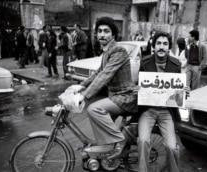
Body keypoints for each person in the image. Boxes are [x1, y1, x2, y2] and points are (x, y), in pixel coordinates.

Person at [68, 16, 138, 159]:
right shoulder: (106, 52)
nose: (102, 34)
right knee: (100, 129)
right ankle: (106, 156)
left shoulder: (119, 51)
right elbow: (98, 73)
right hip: (115, 97)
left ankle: (119, 142)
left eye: (106, 31)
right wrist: (80, 86)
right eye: (99, 31)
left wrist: (85, 96)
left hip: (125, 98)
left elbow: (104, 76)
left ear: (113, 34)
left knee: (94, 109)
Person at [138, 31, 181, 172]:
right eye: (159, 43)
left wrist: (183, 91)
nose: (161, 47)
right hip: (148, 110)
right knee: (143, 141)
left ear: (169, 47)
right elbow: (139, 85)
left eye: (165, 44)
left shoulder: (176, 64)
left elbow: (178, 90)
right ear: (153, 46)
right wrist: (137, 88)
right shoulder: (145, 62)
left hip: (166, 111)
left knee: (171, 146)